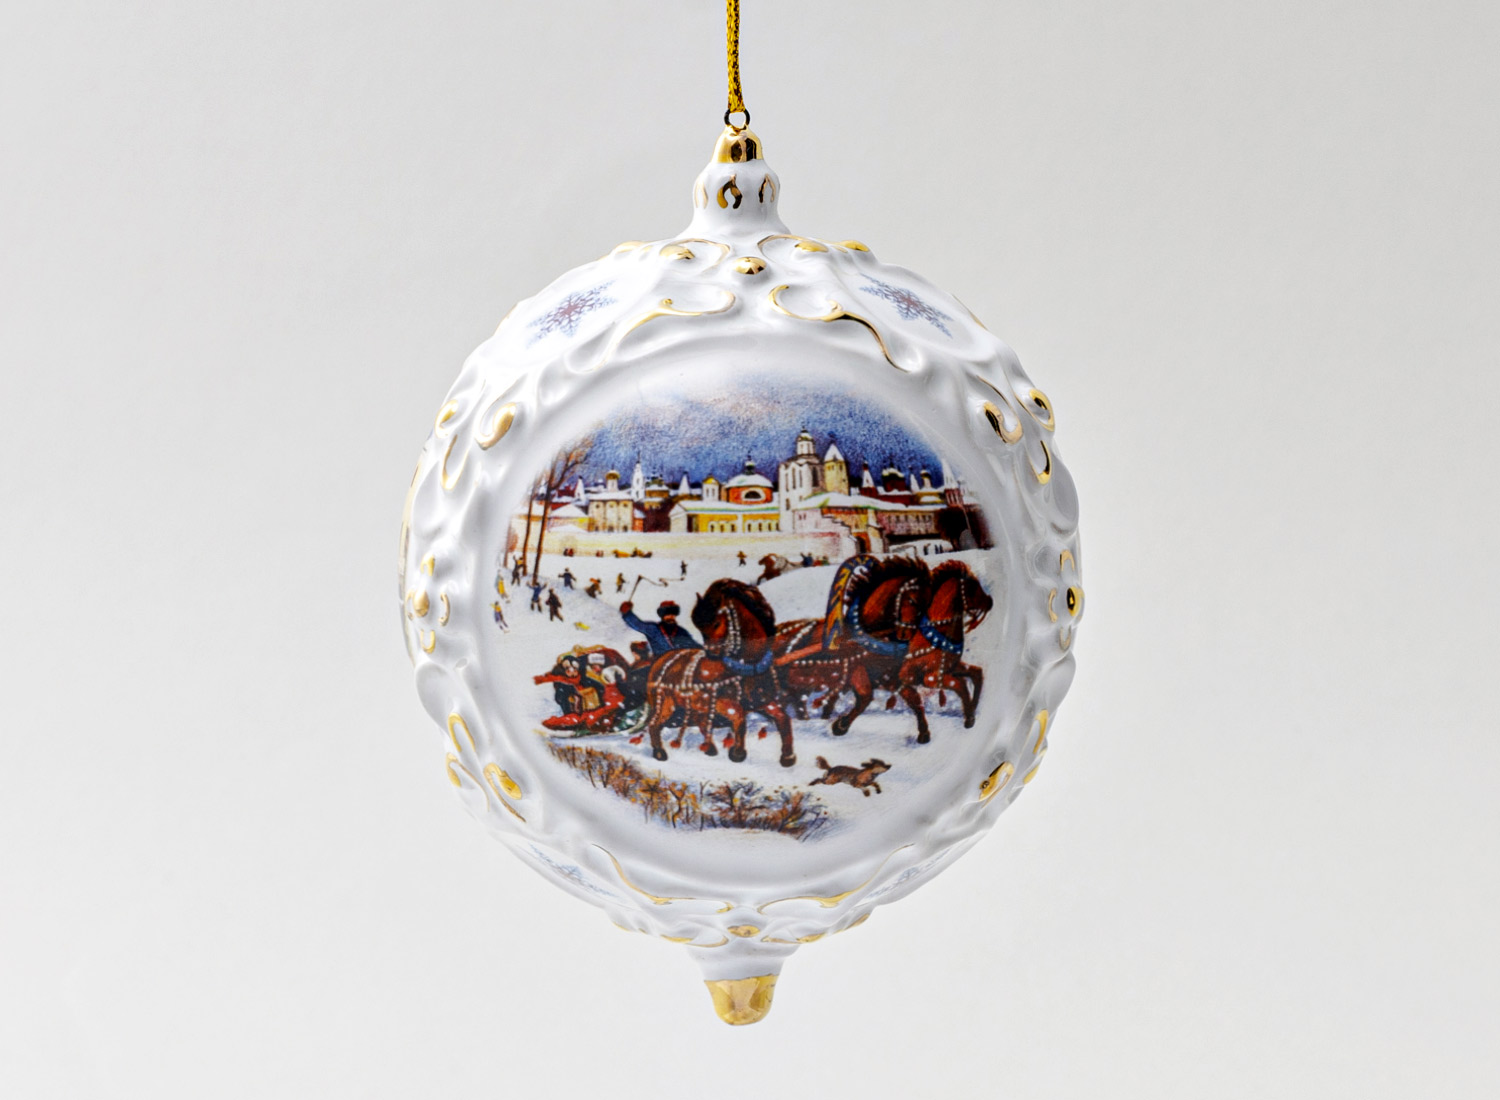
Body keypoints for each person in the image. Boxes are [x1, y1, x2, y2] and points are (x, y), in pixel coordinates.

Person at [620, 599, 700, 656]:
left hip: (679, 663)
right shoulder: (654, 629)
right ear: (662, 616)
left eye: (673, 614)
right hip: (659, 664)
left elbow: (693, 645)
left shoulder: (681, 631)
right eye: (667, 614)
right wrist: (627, 613)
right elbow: (638, 625)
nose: (670, 617)